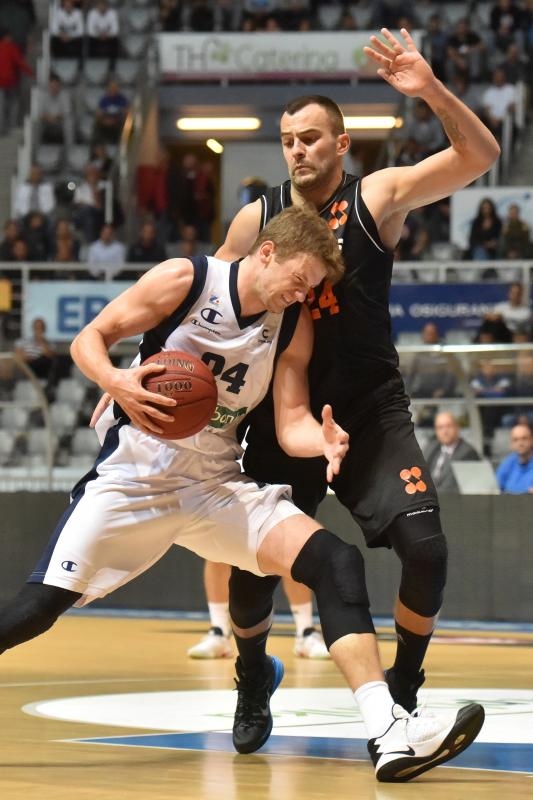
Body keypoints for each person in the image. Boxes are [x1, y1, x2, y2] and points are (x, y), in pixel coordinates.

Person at [0, 205, 484, 783]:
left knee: (337, 561)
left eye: (311, 289)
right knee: (36, 608)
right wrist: (116, 381)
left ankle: (389, 730)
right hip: (135, 479)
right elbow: (90, 338)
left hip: (214, 485)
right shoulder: (186, 280)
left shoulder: (291, 324)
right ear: (267, 251)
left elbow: (291, 421)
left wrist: (323, 443)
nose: (302, 294)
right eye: (299, 280)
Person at [191, 27, 499, 738]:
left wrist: (429, 90)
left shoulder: (376, 197)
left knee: (426, 550)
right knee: (250, 575)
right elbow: (206, 305)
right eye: (287, 139)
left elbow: (478, 156)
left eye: (309, 138)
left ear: (340, 144)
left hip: (368, 408)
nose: (296, 149)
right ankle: (249, 678)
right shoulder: (256, 217)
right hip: (279, 413)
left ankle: (404, 685)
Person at [424, 411, 481, 493]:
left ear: (457, 427)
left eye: (448, 426)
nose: (444, 431)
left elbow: (452, 486)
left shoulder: (468, 453)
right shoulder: (431, 447)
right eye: (440, 427)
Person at [496, 422, 533, 492]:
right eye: (515, 440)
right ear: (511, 444)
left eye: (524, 438)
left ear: (531, 440)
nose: (520, 443)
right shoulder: (508, 463)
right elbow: (496, 488)